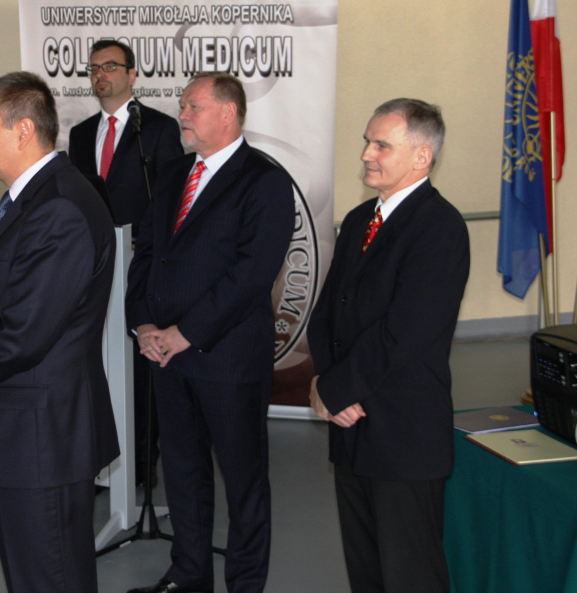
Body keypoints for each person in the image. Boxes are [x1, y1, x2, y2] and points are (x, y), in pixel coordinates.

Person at [0, 71, 119, 593]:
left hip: (43, 439)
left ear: (23, 130)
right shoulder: (33, 199)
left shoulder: (60, 208)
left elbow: (22, 333)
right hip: (27, 433)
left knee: (50, 579)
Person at [125, 72, 294, 593]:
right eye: (182, 106)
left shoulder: (264, 181)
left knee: (243, 481)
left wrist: (186, 332)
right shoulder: (174, 174)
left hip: (227, 358)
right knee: (183, 471)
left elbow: (252, 274)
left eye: (192, 106)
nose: (181, 115)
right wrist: (143, 322)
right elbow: (147, 253)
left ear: (228, 113)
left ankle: (244, 584)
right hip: (166, 356)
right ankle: (189, 574)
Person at [307, 99, 470, 593]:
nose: (366, 154)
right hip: (352, 428)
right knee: (367, 573)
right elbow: (328, 312)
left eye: (381, 145)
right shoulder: (360, 219)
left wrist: (336, 390)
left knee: (409, 575)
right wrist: (323, 381)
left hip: (403, 435)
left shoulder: (440, 228)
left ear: (422, 157)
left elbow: (402, 334)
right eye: (367, 142)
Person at [69, 39, 183, 486]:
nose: (101, 74)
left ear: (132, 75)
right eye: (95, 68)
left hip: (141, 264)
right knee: (96, 360)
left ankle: (141, 463)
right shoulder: (81, 135)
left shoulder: (157, 129)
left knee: (139, 368)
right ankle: (100, 458)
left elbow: (170, 199)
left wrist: (147, 244)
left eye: (111, 66)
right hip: (94, 266)